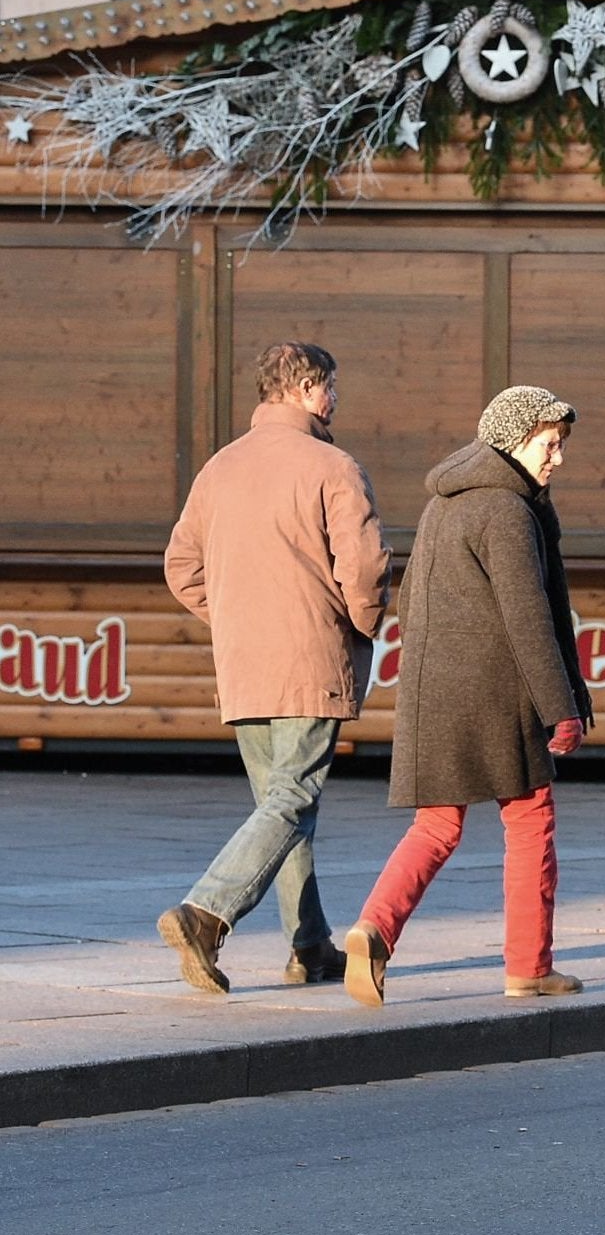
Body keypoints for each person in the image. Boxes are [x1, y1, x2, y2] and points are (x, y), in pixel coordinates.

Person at [343, 386, 592, 1008]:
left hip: (436, 689)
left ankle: (374, 927)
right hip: (496, 691)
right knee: (531, 816)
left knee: (437, 824)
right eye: (548, 444)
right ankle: (528, 967)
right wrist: (559, 705)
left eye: (560, 445)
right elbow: (528, 616)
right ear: (512, 441)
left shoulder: (446, 504)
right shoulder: (506, 511)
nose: (557, 458)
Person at [158, 342, 390, 993]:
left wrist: (232, 615)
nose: (335, 400)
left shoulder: (218, 469)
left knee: (280, 807)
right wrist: (362, 623)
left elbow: (181, 567)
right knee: (292, 798)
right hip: (310, 657)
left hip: (243, 663)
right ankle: (206, 912)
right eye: (331, 386)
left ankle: (310, 944)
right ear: (305, 386)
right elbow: (366, 568)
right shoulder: (333, 465)